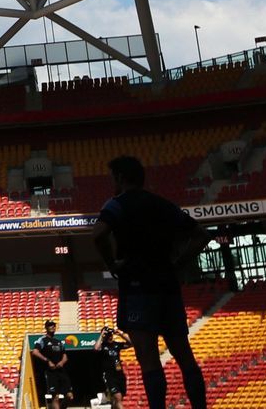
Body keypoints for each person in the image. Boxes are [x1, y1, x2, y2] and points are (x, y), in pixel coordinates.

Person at [92, 155, 209, 409]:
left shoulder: (117, 204)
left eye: (113, 178)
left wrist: (112, 264)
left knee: (149, 360)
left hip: (138, 287)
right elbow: (201, 235)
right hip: (168, 286)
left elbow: (98, 233)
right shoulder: (162, 204)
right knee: (185, 356)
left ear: (120, 178)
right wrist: (178, 263)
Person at [33, 320, 71, 409]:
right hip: (50, 372)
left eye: (53, 325)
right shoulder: (42, 340)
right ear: (46, 327)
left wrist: (62, 362)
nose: (52, 327)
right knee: (55, 397)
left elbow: (65, 356)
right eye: (50, 325)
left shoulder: (59, 342)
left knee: (69, 396)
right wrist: (47, 361)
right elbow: (35, 352)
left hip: (61, 371)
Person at [97, 325, 130, 409]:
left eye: (111, 334)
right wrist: (101, 335)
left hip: (120, 374)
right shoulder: (103, 346)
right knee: (118, 397)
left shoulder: (116, 344)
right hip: (110, 375)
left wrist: (121, 334)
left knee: (118, 400)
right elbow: (96, 348)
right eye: (108, 335)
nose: (110, 336)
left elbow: (131, 343)